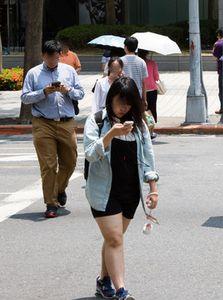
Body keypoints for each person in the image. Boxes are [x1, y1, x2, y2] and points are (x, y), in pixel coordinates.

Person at [84, 77, 159, 300]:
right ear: (110, 99)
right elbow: (89, 153)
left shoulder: (139, 125)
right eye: (119, 102)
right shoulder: (97, 121)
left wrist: (153, 189)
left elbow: (148, 158)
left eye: (128, 104)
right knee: (116, 239)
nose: (123, 108)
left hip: (130, 192)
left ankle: (103, 281)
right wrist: (110, 135)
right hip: (102, 191)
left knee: (112, 239)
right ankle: (121, 291)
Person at [21, 40, 85, 218]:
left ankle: (59, 189)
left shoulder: (69, 71)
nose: (53, 61)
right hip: (43, 123)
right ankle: (50, 203)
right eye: (50, 58)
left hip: (66, 122)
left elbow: (81, 93)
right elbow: (25, 97)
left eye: (56, 58)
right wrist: (44, 92)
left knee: (70, 162)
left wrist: (67, 90)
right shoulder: (33, 74)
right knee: (48, 166)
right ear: (43, 56)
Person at [138, 49, 160, 139]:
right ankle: (151, 130)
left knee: (141, 110)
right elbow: (156, 77)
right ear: (147, 53)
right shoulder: (152, 63)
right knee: (151, 109)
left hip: (140, 90)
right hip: (151, 89)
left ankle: (142, 128)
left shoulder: (138, 63)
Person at [120, 37, 148, 105]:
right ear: (136, 48)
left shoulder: (120, 61)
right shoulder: (141, 62)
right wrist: (144, 99)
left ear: (125, 47)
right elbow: (144, 82)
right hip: (138, 94)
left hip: (123, 95)